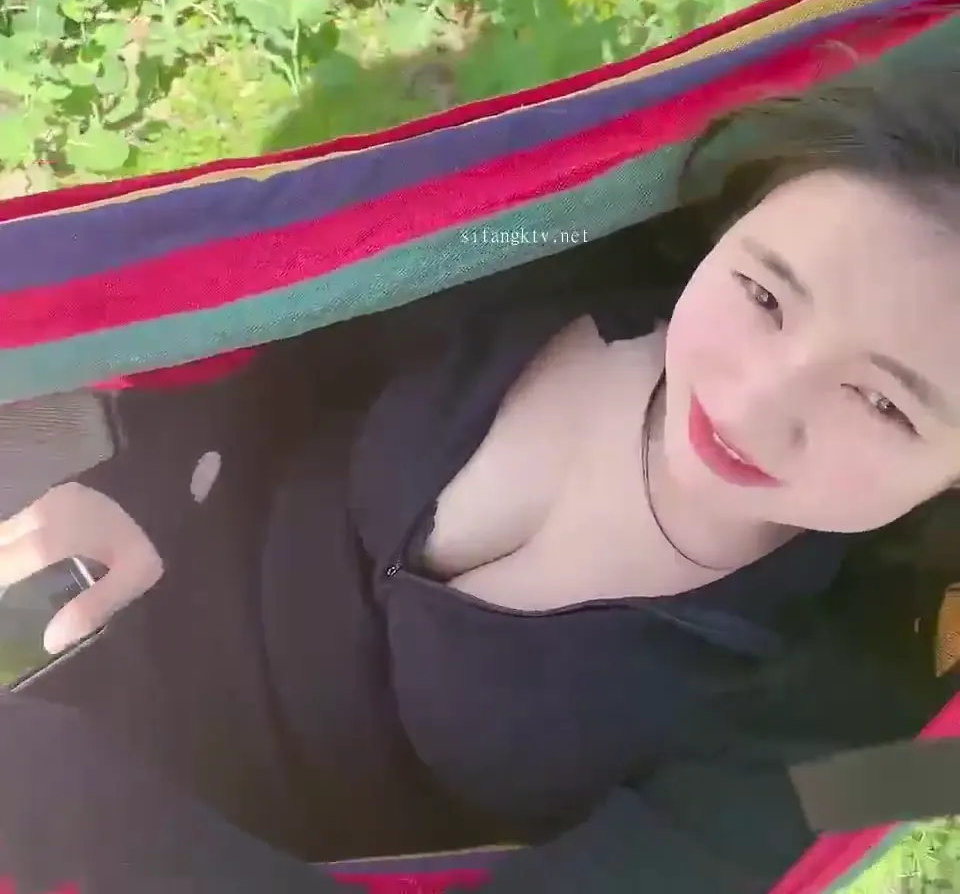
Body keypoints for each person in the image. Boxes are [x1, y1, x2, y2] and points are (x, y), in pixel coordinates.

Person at [1, 59, 959, 894]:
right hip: (100, 554)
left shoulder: (879, 751)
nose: (754, 404)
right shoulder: (560, 236)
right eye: (763, 292)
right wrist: (153, 478)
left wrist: (63, 796)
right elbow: (302, 311)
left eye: (886, 404)